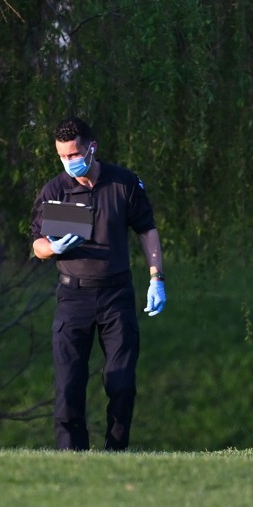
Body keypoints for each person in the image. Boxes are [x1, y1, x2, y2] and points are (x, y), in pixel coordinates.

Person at [29, 117, 167, 451]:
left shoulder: (123, 183)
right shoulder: (55, 190)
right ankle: (71, 455)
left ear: (93, 147)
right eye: (62, 156)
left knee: (120, 381)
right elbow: (36, 244)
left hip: (116, 295)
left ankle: (115, 452)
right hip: (72, 295)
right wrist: (52, 248)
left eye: (74, 153)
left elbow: (146, 229)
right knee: (68, 384)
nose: (69, 161)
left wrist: (156, 278)